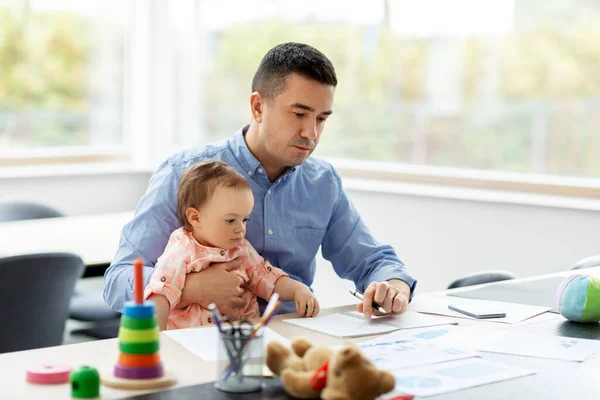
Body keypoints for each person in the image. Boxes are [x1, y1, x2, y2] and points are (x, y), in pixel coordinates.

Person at [104, 42, 417, 320]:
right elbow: (117, 281)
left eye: (321, 119)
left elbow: (373, 260)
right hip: (200, 343)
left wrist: (393, 287)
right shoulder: (185, 173)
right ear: (257, 107)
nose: (311, 133)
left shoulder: (323, 183)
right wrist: (190, 288)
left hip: (291, 347)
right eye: (299, 114)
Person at [144, 160, 319, 330]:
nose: (241, 229)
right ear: (195, 218)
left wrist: (298, 289)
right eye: (230, 220)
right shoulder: (181, 249)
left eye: (245, 220)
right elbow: (161, 295)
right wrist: (154, 343)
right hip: (191, 340)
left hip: (241, 337)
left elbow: (266, 278)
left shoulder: (241, 248)